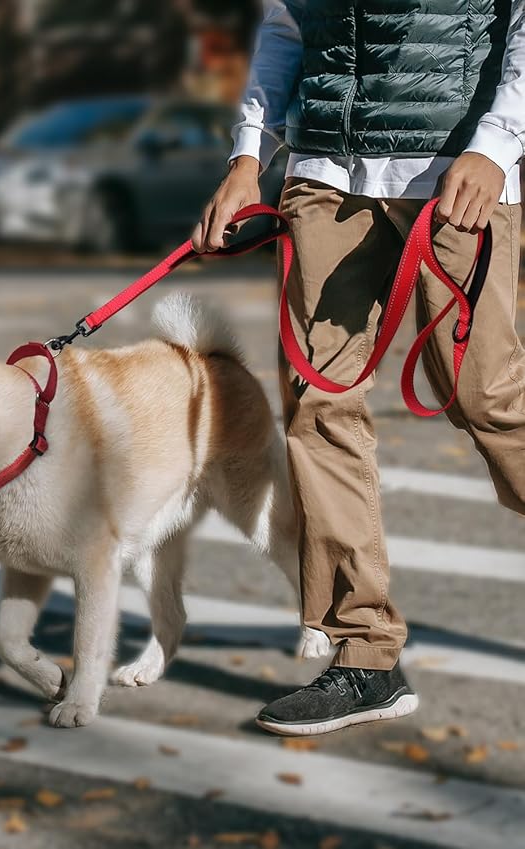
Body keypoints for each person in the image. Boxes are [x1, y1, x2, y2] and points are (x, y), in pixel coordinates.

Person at [193, 0, 525, 736]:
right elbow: (285, 26)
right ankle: (364, 653)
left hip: (453, 173)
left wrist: (496, 145)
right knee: (316, 407)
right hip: (323, 175)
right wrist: (248, 156)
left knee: (488, 401)